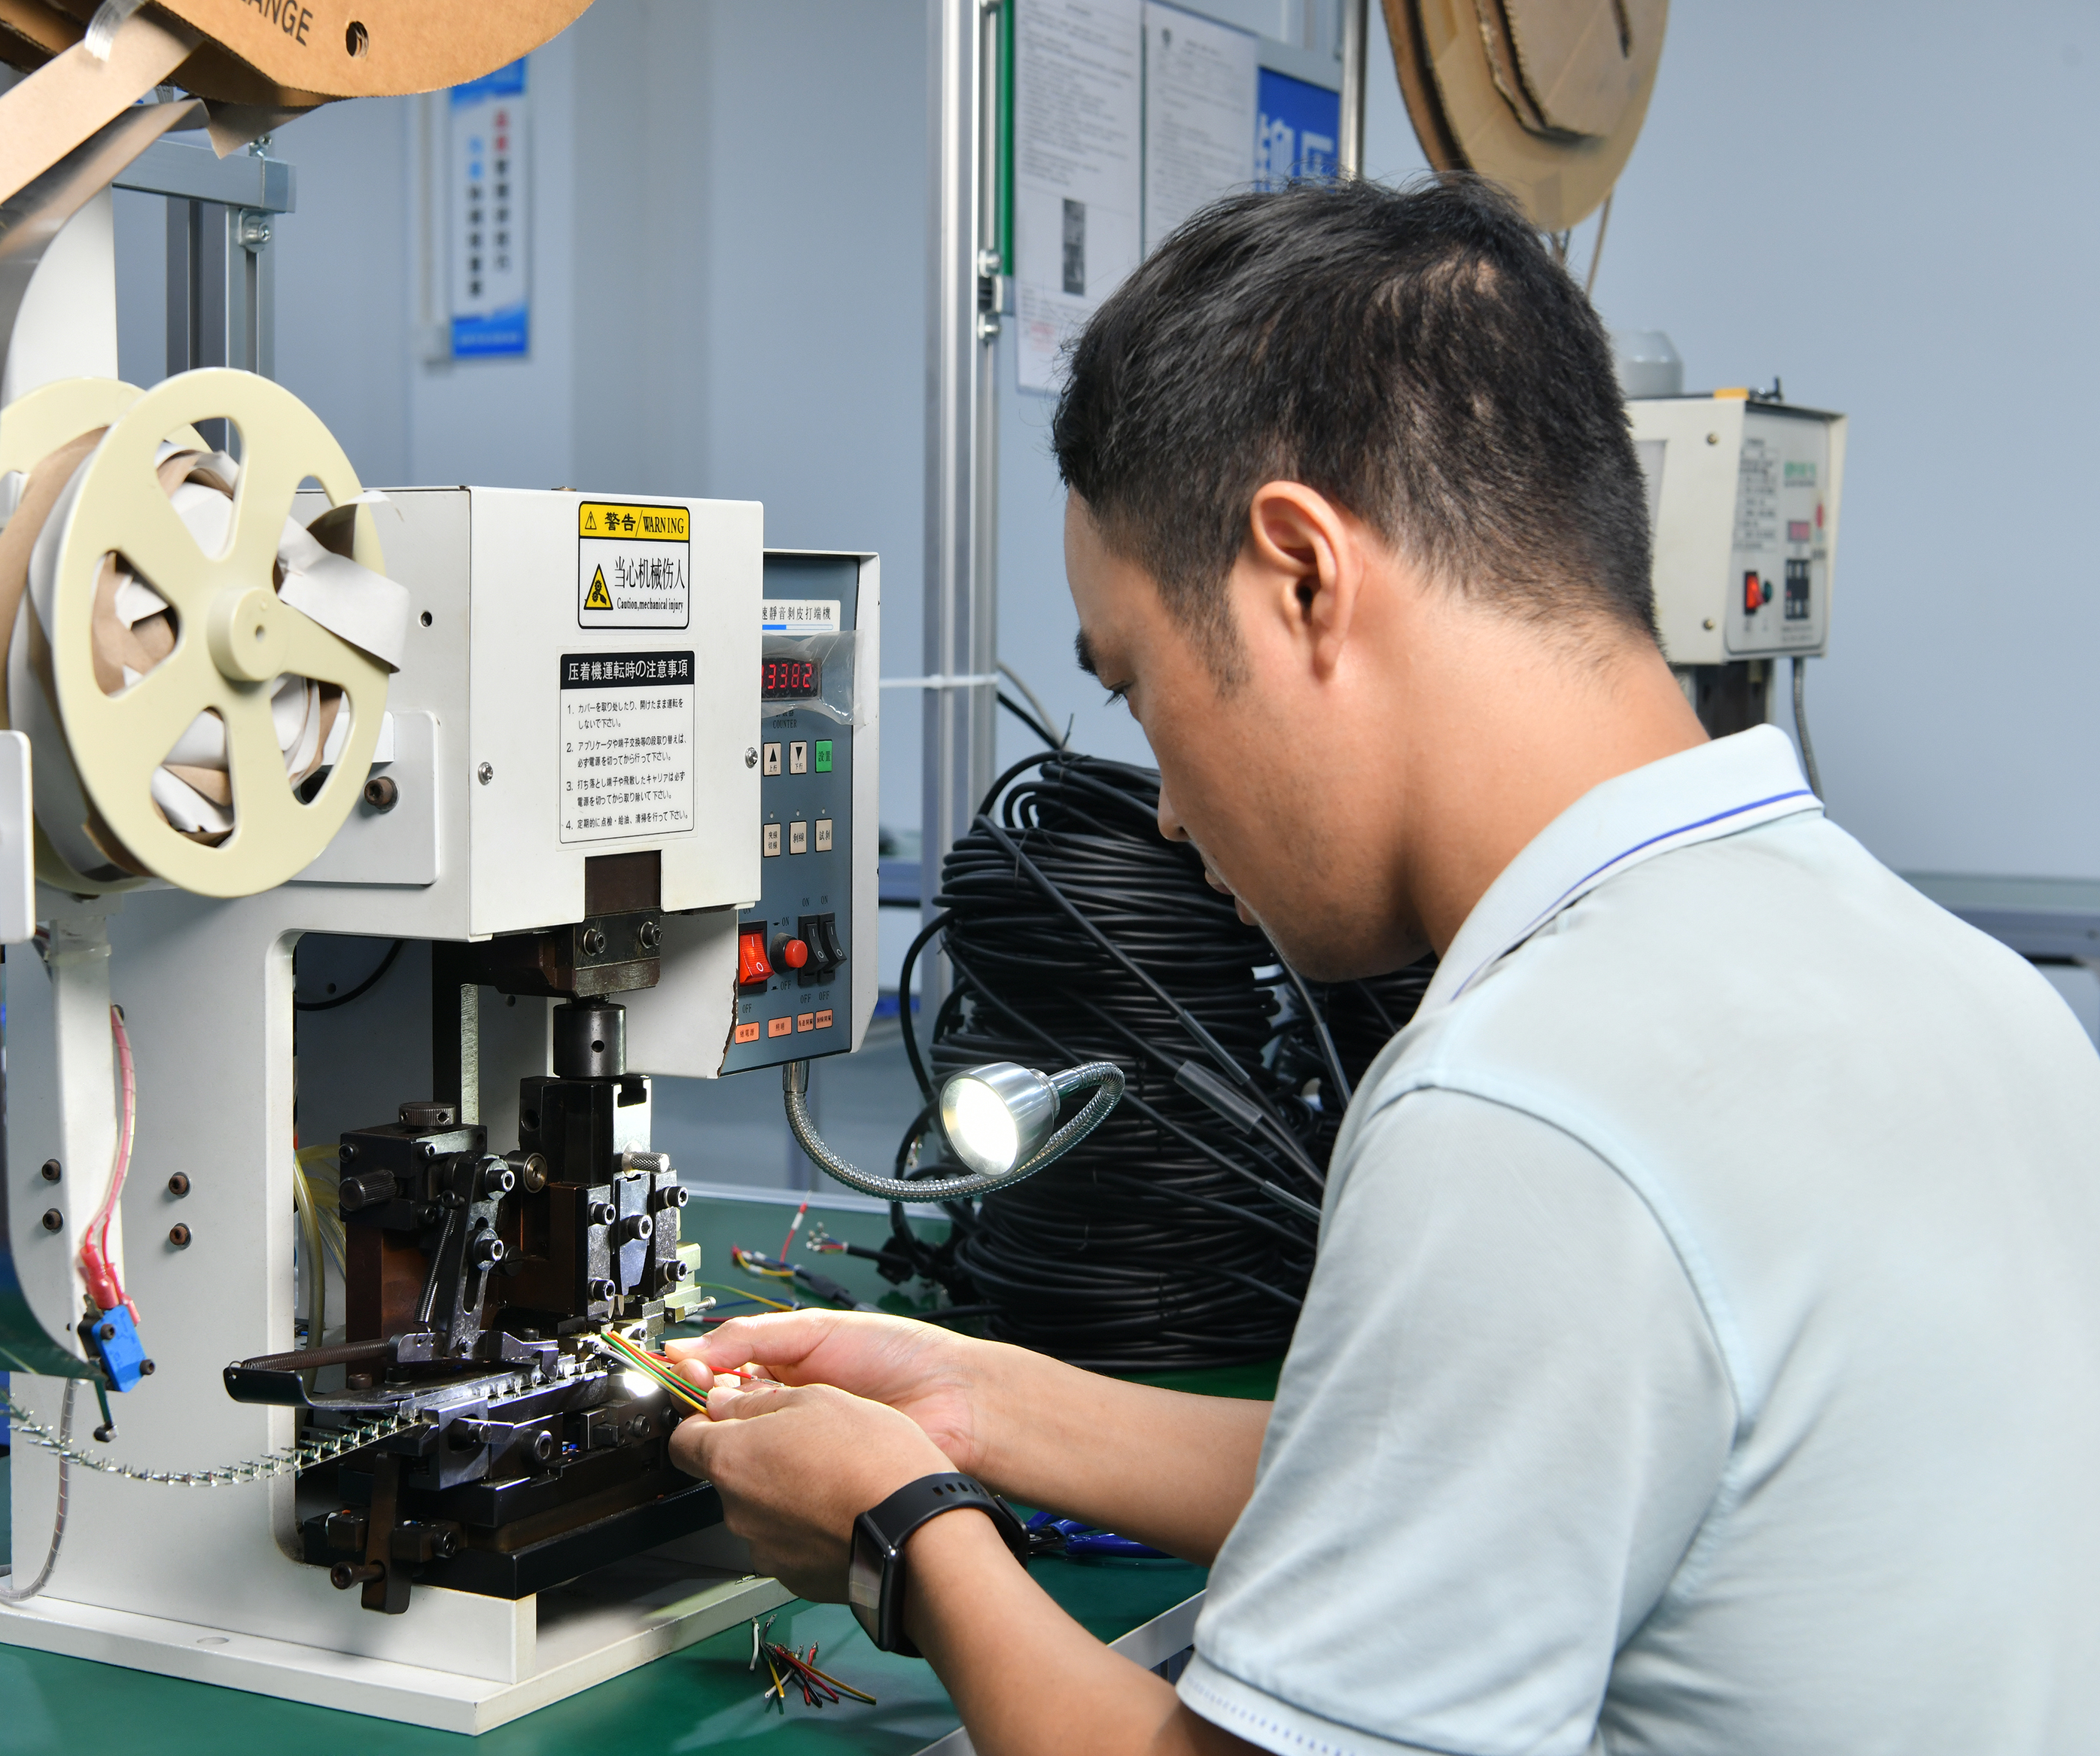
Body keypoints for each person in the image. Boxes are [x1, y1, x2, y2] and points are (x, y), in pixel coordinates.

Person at [666, 175, 2100, 1756]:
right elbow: (1478, 1483)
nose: (1167, 807)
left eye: (1138, 690)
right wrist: (976, 1403)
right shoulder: (1964, 989)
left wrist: (908, 1534)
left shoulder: (1526, 1107)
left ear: (1302, 576)